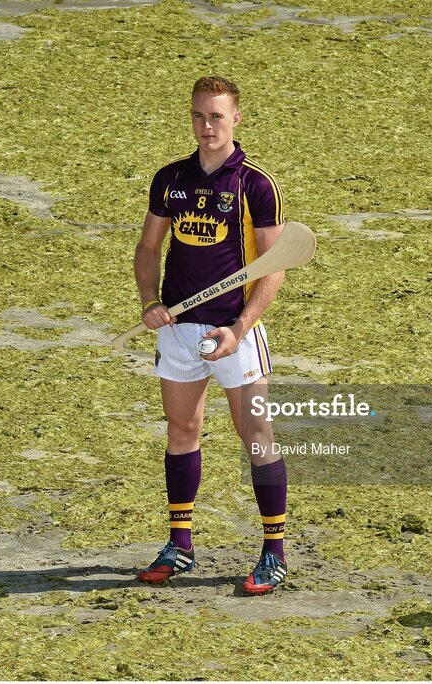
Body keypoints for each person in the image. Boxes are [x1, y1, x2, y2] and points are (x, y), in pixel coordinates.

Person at [132, 76, 289, 594]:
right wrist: (150, 302)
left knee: (257, 438)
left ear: (236, 118)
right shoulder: (170, 179)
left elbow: (275, 268)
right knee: (182, 433)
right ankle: (180, 546)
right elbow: (150, 247)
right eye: (199, 115)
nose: (206, 126)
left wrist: (239, 328)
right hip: (179, 328)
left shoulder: (255, 184)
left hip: (235, 330)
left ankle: (273, 553)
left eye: (216, 116)